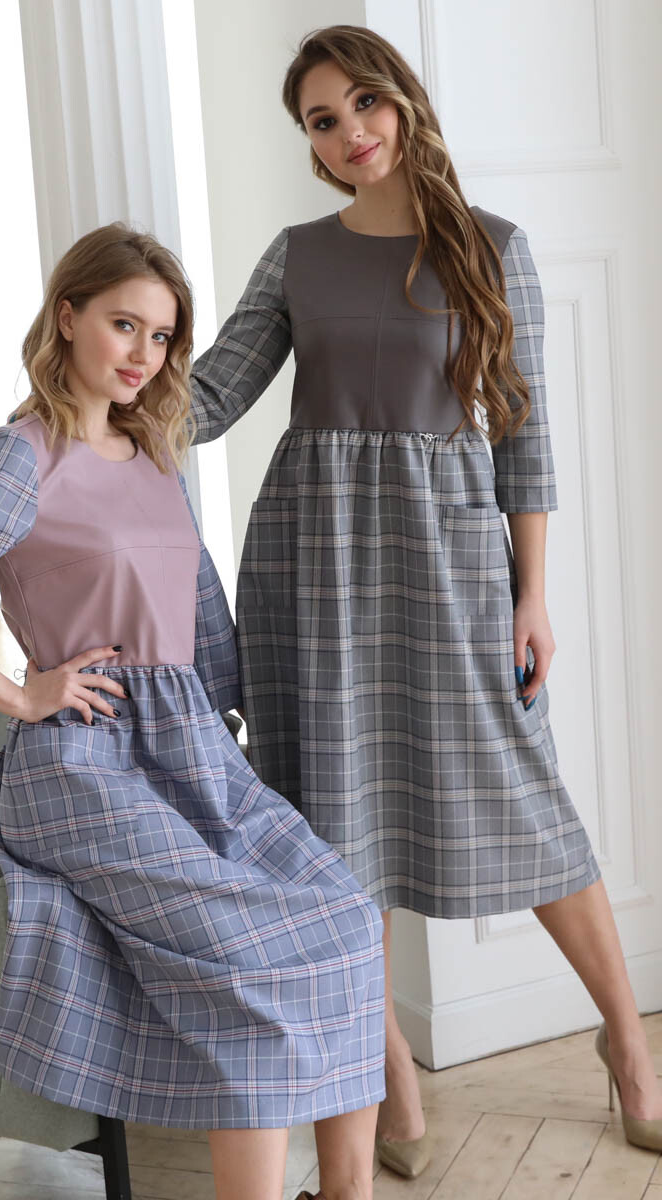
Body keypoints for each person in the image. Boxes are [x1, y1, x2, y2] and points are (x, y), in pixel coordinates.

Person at [187, 24, 662, 1178]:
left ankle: (627, 1047)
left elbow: (523, 436)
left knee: (526, 804)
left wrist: (530, 596)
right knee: (334, 821)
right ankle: (386, 1084)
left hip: (449, 561)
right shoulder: (297, 257)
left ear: (398, 100)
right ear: (308, 145)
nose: (349, 132)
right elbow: (208, 396)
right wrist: (88, 395)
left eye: (362, 104)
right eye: (321, 120)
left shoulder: (493, 248)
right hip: (310, 562)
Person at [0, 222, 388, 1200]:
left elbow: (200, 611)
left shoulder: (155, 453)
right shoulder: (21, 456)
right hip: (79, 765)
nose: (143, 354)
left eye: (161, 336)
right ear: (67, 317)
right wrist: (24, 693)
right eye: (124, 324)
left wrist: (240, 735)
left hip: (189, 750)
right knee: (247, 959)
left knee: (346, 918)